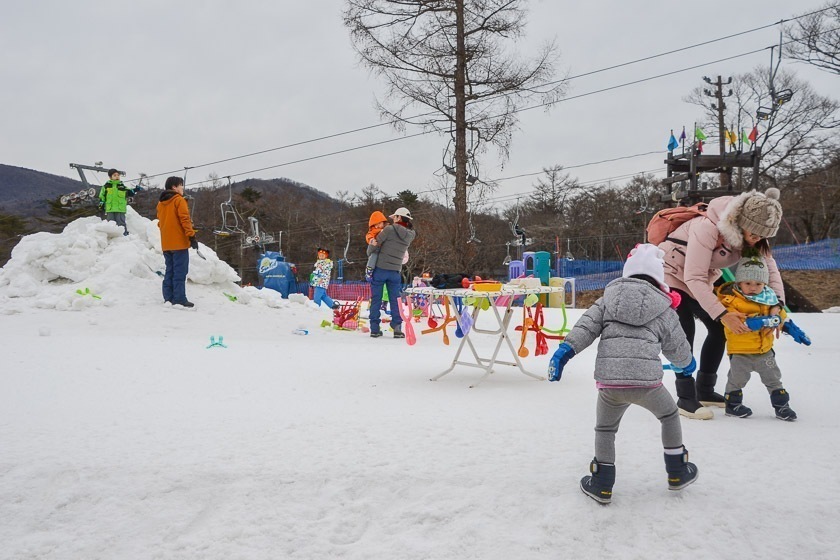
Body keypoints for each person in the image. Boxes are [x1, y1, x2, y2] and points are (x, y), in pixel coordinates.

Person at [548, 244, 699, 504]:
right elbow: (678, 346)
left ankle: (602, 483)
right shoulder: (664, 308)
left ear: (627, 273)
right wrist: (686, 364)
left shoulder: (607, 299)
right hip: (648, 385)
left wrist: (564, 352)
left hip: (610, 384)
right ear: (658, 277)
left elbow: (585, 328)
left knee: (605, 429)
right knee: (669, 414)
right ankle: (677, 471)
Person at [659, 188, 784, 420]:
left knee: (719, 330)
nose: (757, 240)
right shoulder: (707, 228)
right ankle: (685, 397)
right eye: (754, 234)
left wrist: (778, 305)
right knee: (685, 330)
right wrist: (723, 313)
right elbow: (692, 277)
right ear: (740, 222)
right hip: (670, 274)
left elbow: (770, 268)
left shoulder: (754, 236)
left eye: (763, 236)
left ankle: (704, 390)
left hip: (699, 280)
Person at [715, 254, 797, 421]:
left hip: (764, 351)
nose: (753, 287)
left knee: (774, 378)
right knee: (737, 379)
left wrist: (786, 325)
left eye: (758, 284)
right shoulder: (731, 301)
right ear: (739, 283)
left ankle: (782, 406)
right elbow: (727, 320)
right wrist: (750, 321)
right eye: (748, 283)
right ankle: (732, 404)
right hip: (740, 352)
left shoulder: (769, 299)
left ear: (764, 284)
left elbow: (779, 316)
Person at [368, 207, 416, 339]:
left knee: (376, 299)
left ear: (399, 218)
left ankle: (375, 329)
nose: (392, 219)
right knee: (396, 300)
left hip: (380, 269)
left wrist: (371, 242)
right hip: (395, 271)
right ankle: (397, 328)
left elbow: (372, 248)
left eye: (395, 217)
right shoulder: (411, 234)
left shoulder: (389, 230)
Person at [157, 176, 198, 307]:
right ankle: (179, 298)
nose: (182, 188)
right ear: (174, 187)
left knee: (170, 271)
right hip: (179, 243)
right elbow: (184, 220)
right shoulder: (179, 200)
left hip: (166, 243)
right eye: (181, 185)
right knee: (180, 271)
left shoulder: (160, 203)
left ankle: (168, 297)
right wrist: (191, 236)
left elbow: (160, 223)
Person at [98, 169, 137, 235]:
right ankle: (112, 237)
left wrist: (136, 189)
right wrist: (101, 204)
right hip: (110, 209)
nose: (117, 176)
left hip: (120, 208)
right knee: (110, 223)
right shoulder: (106, 186)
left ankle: (124, 236)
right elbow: (102, 196)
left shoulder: (122, 186)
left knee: (121, 222)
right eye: (115, 175)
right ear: (110, 177)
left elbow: (130, 192)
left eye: (118, 175)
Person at [364, 210, 389, 282]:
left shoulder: (388, 229)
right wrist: (371, 240)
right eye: (375, 225)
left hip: (385, 249)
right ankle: (369, 269)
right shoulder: (373, 230)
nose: (377, 226)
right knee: (373, 256)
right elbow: (368, 235)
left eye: (379, 224)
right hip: (377, 248)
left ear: (383, 222)